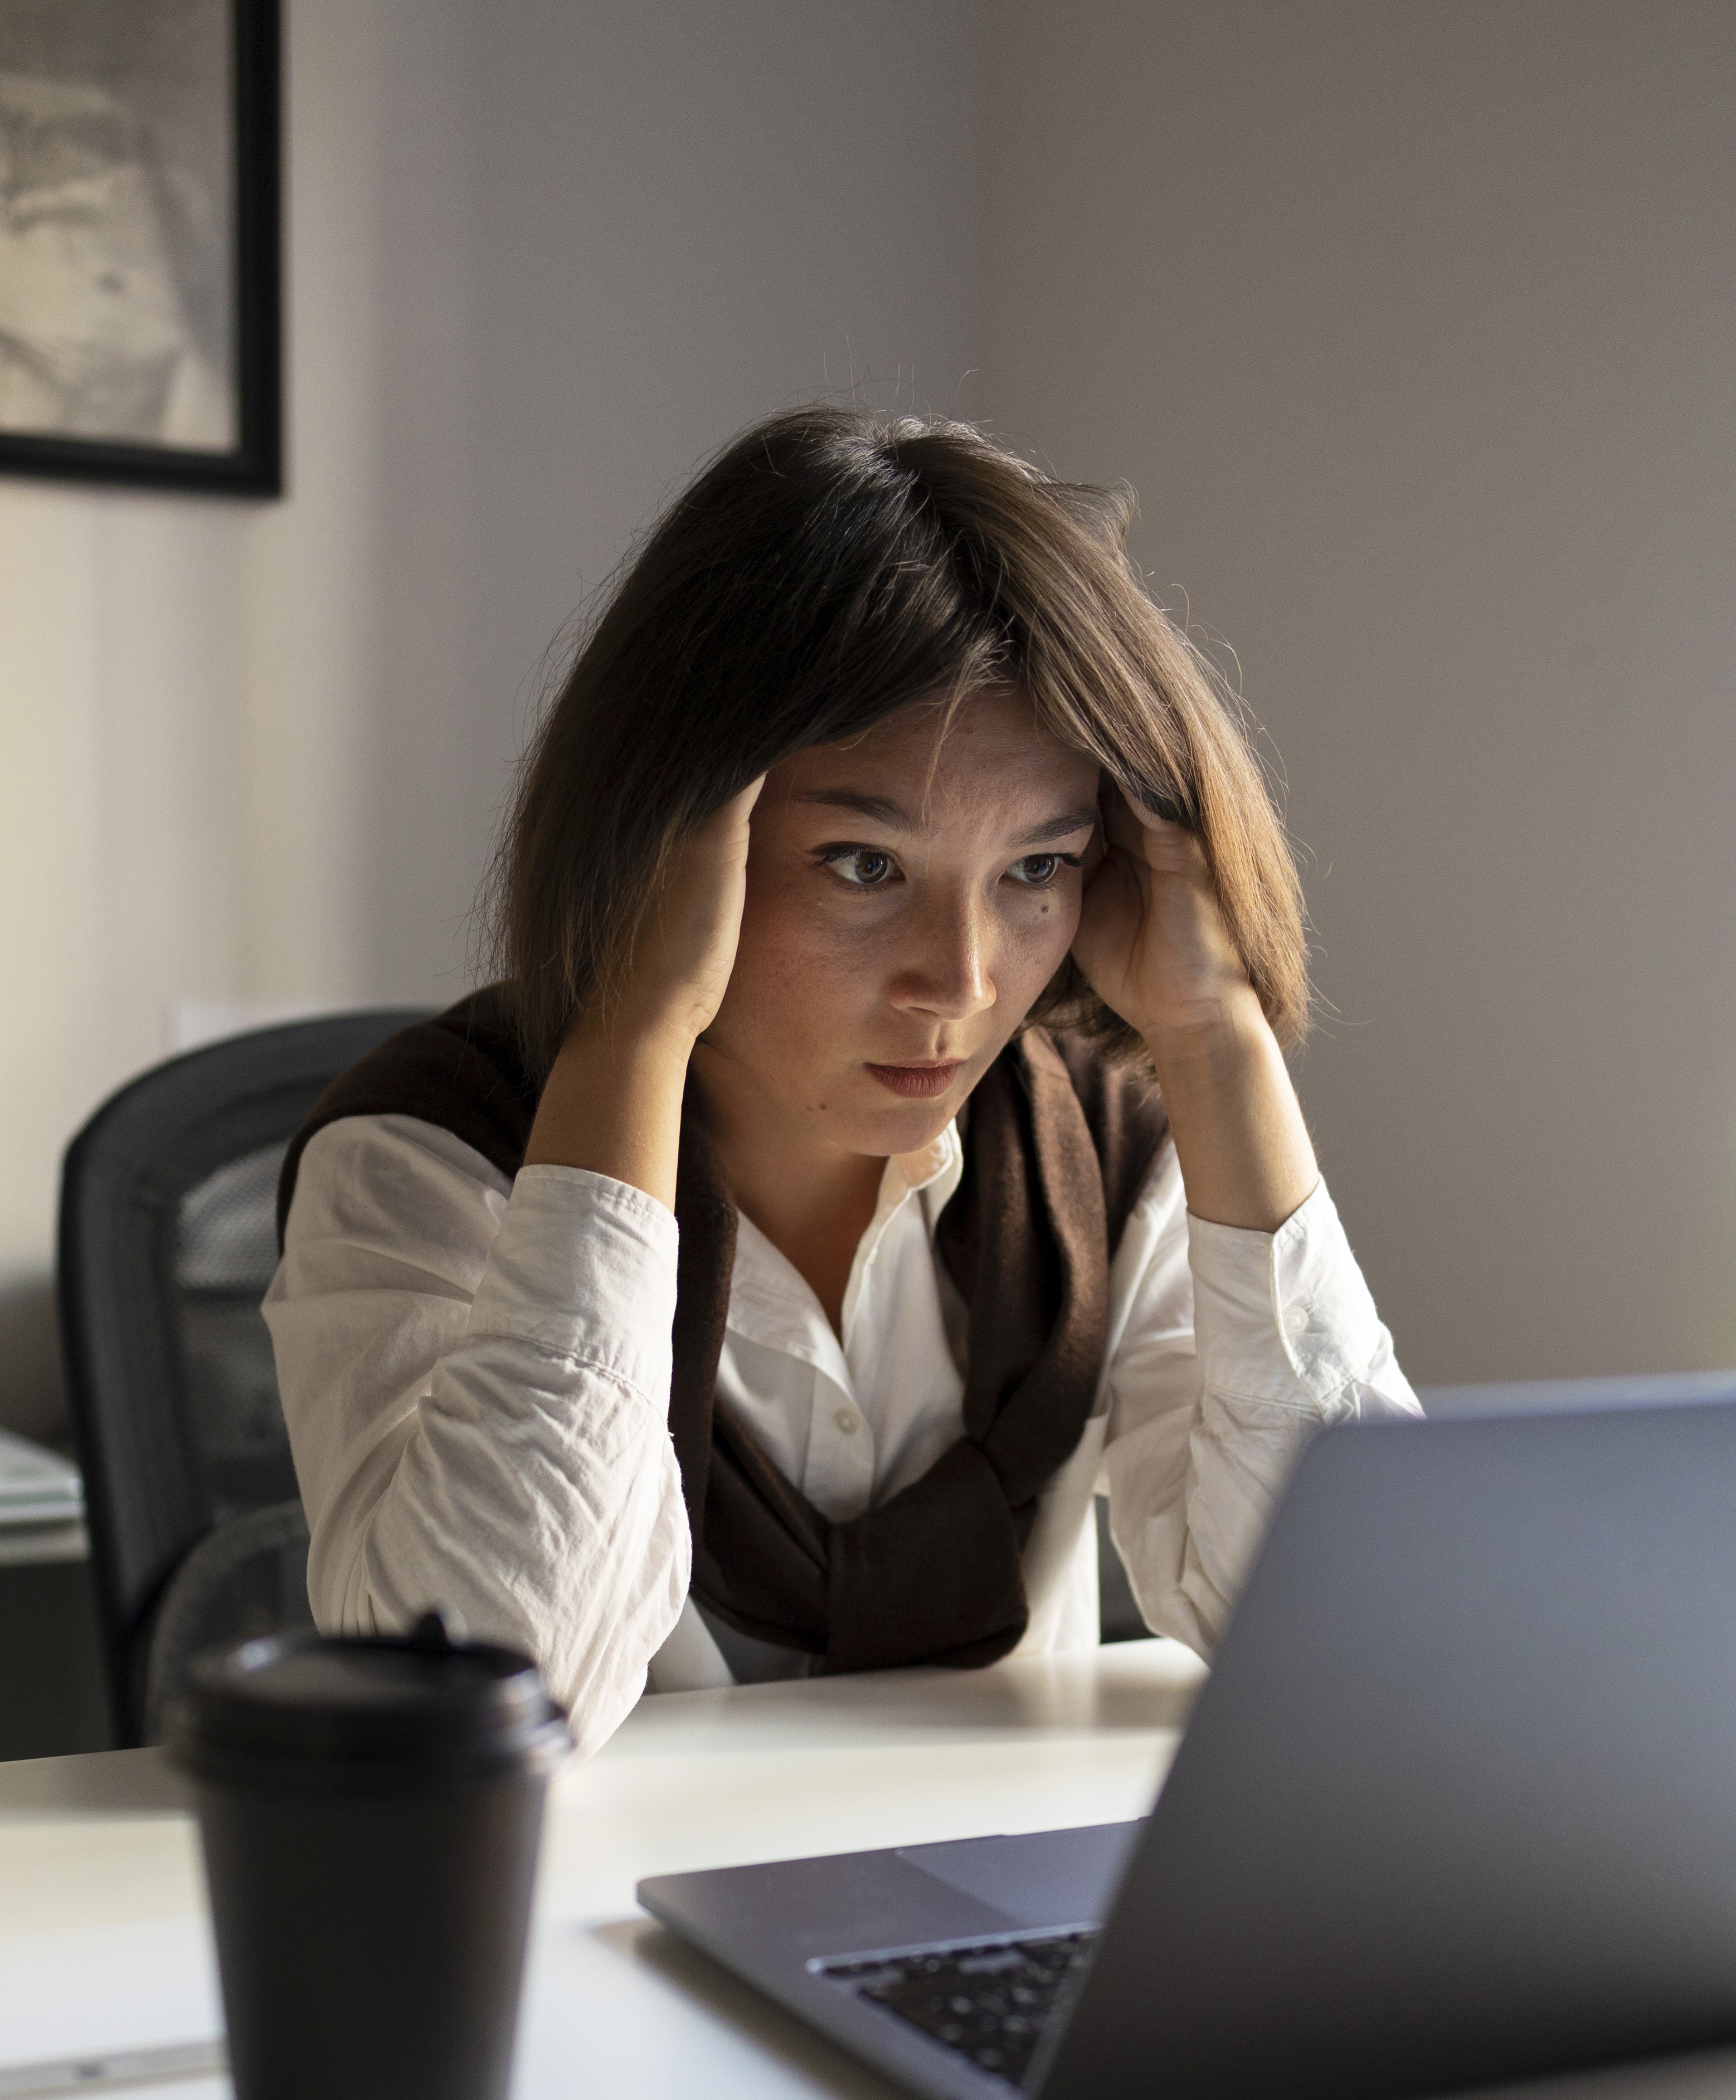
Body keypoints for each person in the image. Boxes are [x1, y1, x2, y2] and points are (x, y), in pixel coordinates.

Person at [265, 406, 1417, 1748]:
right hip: (576, 1936)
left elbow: (1361, 1636)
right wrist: (634, 1028)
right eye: (864, 866)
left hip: (989, 1916)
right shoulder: (426, 1157)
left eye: (1036, 869)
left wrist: (1217, 1033)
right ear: (671, 844)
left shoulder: (1109, 1160)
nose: (964, 978)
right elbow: (479, 1687)